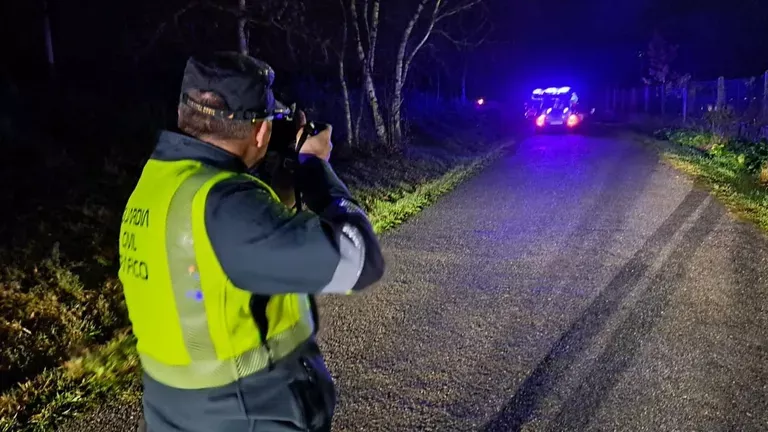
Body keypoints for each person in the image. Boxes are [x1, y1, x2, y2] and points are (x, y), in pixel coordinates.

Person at [118, 51, 386, 432]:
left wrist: (280, 172)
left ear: (185, 114)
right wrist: (315, 168)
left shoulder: (161, 183)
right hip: (247, 414)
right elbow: (360, 261)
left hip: (177, 414)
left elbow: (231, 256)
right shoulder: (228, 206)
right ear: (261, 131)